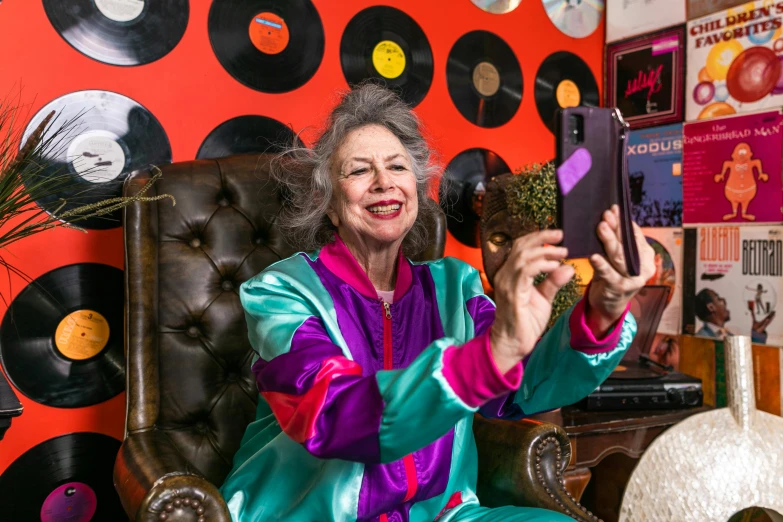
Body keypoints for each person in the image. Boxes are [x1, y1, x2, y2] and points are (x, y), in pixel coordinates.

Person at [219, 82, 655, 522]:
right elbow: (331, 412)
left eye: (397, 167)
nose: (384, 182)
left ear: (417, 189)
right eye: (358, 171)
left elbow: (519, 386)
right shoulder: (282, 292)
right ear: (328, 203)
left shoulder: (455, 287)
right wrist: (492, 353)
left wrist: (604, 307)